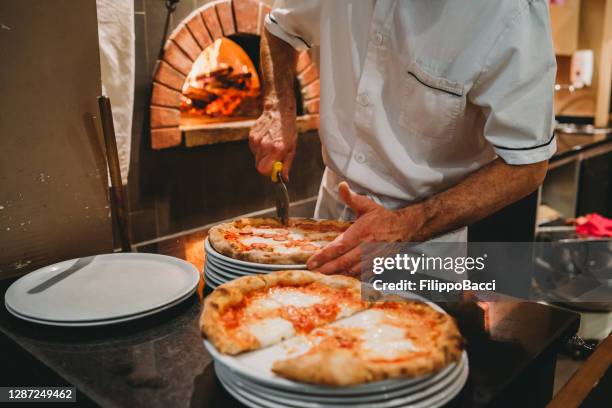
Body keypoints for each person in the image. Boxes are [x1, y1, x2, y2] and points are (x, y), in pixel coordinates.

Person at [249, 0, 556, 275]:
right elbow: (279, 30)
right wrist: (277, 107)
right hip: (327, 221)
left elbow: (526, 166)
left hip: (424, 242)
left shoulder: (512, 12)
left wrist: (410, 223)